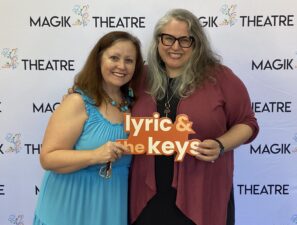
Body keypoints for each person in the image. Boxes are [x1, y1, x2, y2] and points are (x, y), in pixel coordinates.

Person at [129, 9, 259, 225]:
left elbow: (247, 123)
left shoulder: (220, 77)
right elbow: (108, 100)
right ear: (158, 41)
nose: (175, 47)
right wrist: (78, 95)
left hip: (202, 192)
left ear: (197, 43)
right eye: (168, 38)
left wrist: (220, 144)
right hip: (147, 195)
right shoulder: (140, 77)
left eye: (185, 40)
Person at [33, 31, 144, 225]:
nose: (121, 66)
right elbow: (48, 158)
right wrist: (95, 155)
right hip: (69, 207)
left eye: (129, 60)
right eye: (114, 58)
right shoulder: (77, 102)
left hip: (110, 206)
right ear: (99, 59)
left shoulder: (133, 104)